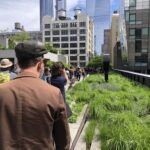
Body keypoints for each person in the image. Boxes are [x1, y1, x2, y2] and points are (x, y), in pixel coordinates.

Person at [0, 41, 71, 150]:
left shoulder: (2, 91)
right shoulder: (53, 93)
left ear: (18, 64)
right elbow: (63, 140)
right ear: (40, 64)